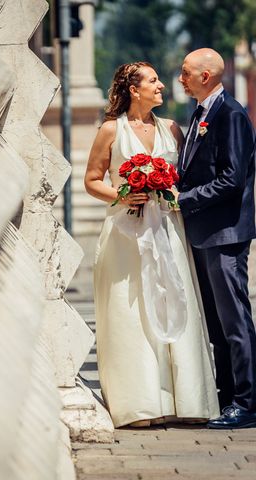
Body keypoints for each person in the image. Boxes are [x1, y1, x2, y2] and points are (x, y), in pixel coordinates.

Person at [84, 62, 219, 428]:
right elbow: (92, 180)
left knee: (175, 300)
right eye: (154, 80)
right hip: (125, 234)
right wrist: (121, 195)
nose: (162, 85)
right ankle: (140, 405)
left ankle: (188, 400)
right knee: (131, 312)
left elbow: (186, 177)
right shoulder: (111, 130)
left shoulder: (172, 129)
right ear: (133, 89)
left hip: (169, 229)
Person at [176, 48, 256, 429]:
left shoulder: (232, 115)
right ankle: (226, 398)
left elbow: (232, 178)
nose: (180, 78)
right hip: (203, 234)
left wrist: (184, 199)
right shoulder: (199, 114)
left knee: (235, 322)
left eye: (185, 72)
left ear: (205, 76)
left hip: (225, 235)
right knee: (216, 325)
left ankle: (248, 402)